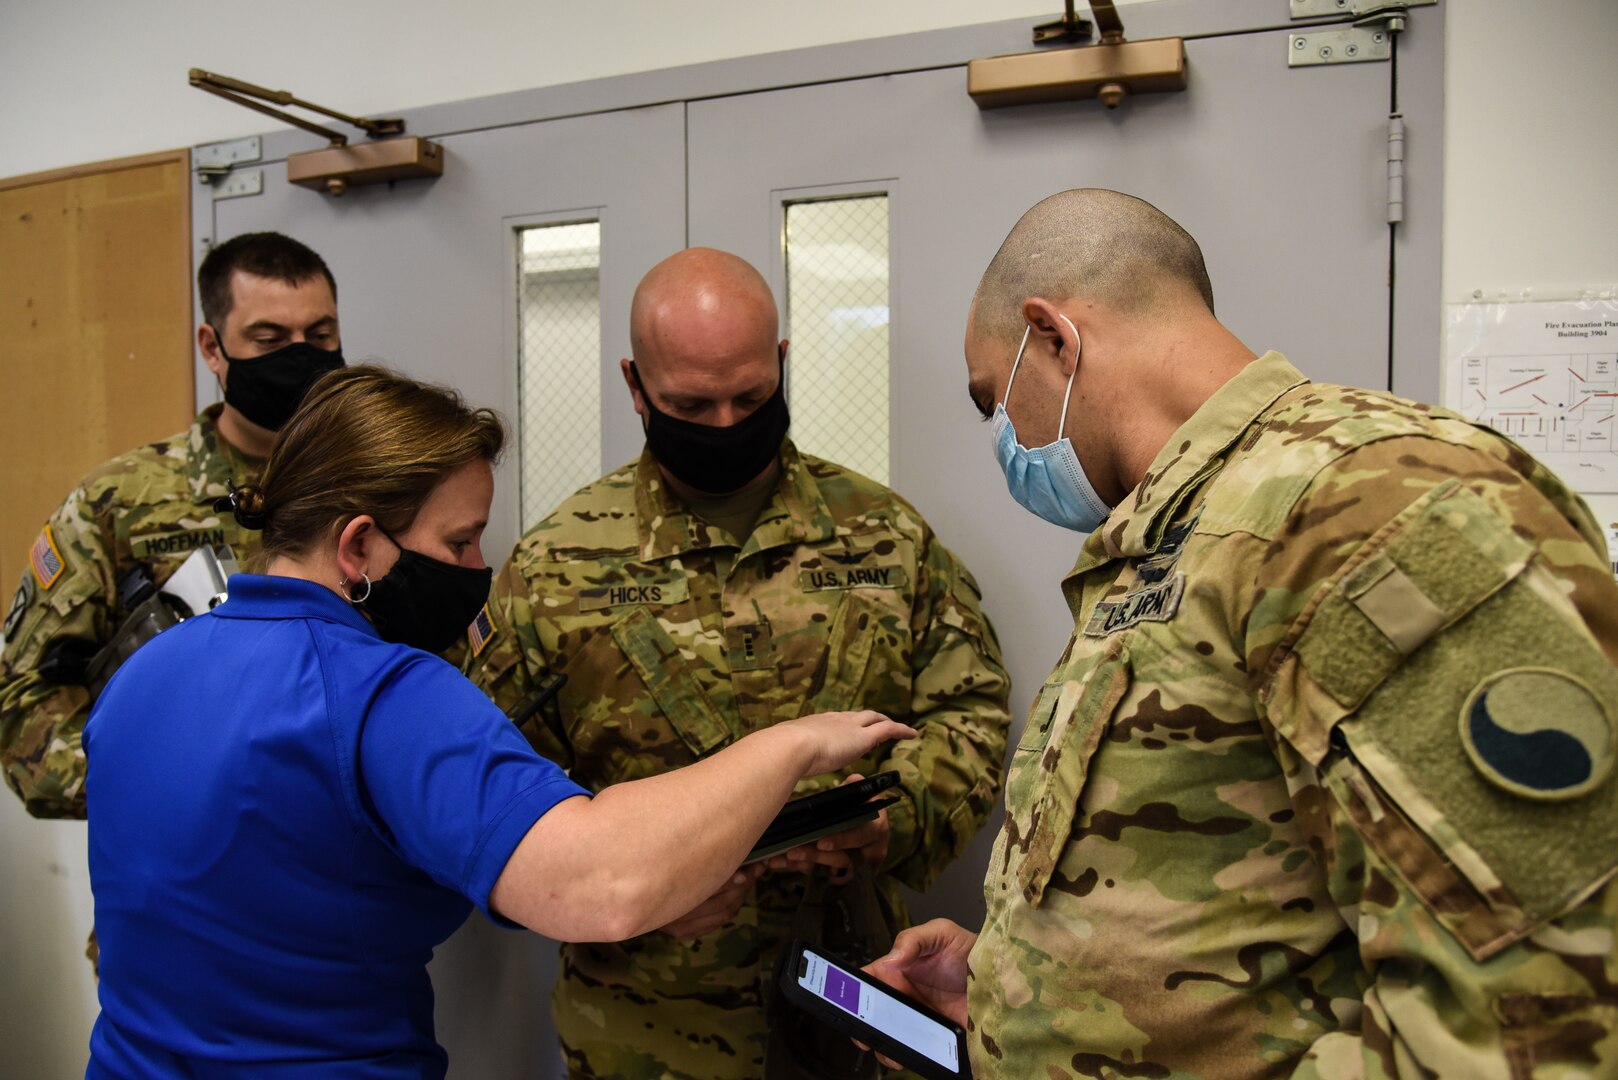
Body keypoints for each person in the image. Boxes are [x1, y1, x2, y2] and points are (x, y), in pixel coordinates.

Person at [864, 189, 1618, 1078]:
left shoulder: (1364, 506)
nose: (1007, 440)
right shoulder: (1178, 536)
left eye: (995, 402)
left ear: (1056, 338)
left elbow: (1533, 1017)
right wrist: (1010, 987)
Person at [83, 365, 913, 1078]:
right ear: (361, 547)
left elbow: (307, 865)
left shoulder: (144, 673)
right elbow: (603, 883)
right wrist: (794, 743)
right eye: (463, 541)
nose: (481, 570)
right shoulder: (384, 693)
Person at [465, 248, 1011, 1079]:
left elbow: (967, 712)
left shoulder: (885, 535)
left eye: (751, 396)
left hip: (855, 1008)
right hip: (647, 1032)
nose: (725, 423)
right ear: (635, 385)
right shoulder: (556, 564)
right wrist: (635, 883)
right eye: (691, 402)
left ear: (783, 364)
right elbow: (492, 790)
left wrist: (883, 824)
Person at [1, 231, 345, 822]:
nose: (301, 355)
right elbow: (25, 705)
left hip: (344, 860)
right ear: (213, 348)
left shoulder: (376, 486)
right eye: (269, 338)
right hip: (178, 864)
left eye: (320, 336)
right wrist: (175, 782)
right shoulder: (119, 501)